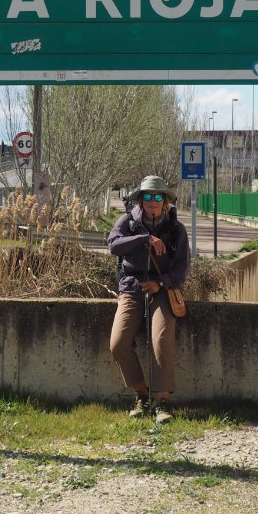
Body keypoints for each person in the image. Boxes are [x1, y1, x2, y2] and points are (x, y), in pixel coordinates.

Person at [107, 175, 190, 424]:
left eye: (157, 197)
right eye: (147, 197)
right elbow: (113, 245)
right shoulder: (128, 222)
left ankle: (162, 402)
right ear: (140, 200)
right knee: (118, 344)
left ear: (165, 202)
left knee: (161, 339)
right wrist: (145, 239)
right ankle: (141, 395)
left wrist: (161, 282)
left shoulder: (176, 229)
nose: (152, 202)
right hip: (132, 288)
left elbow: (182, 268)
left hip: (163, 289)